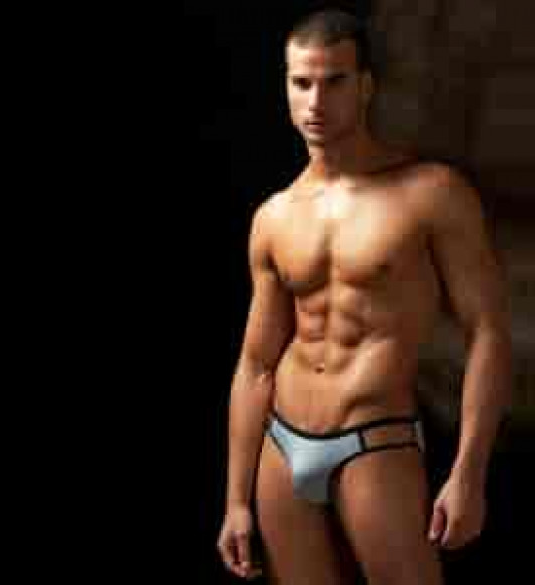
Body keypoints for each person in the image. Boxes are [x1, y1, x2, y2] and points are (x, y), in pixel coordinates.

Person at [215, 8, 513, 584]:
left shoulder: (431, 194)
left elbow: (488, 332)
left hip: (373, 440)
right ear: (286, 87)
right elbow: (255, 364)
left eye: (334, 82)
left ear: (366, 86)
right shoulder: (274, 216)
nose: (315, 102)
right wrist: (235, 500)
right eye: (302, 83)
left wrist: (469, 473)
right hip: (280, 445)